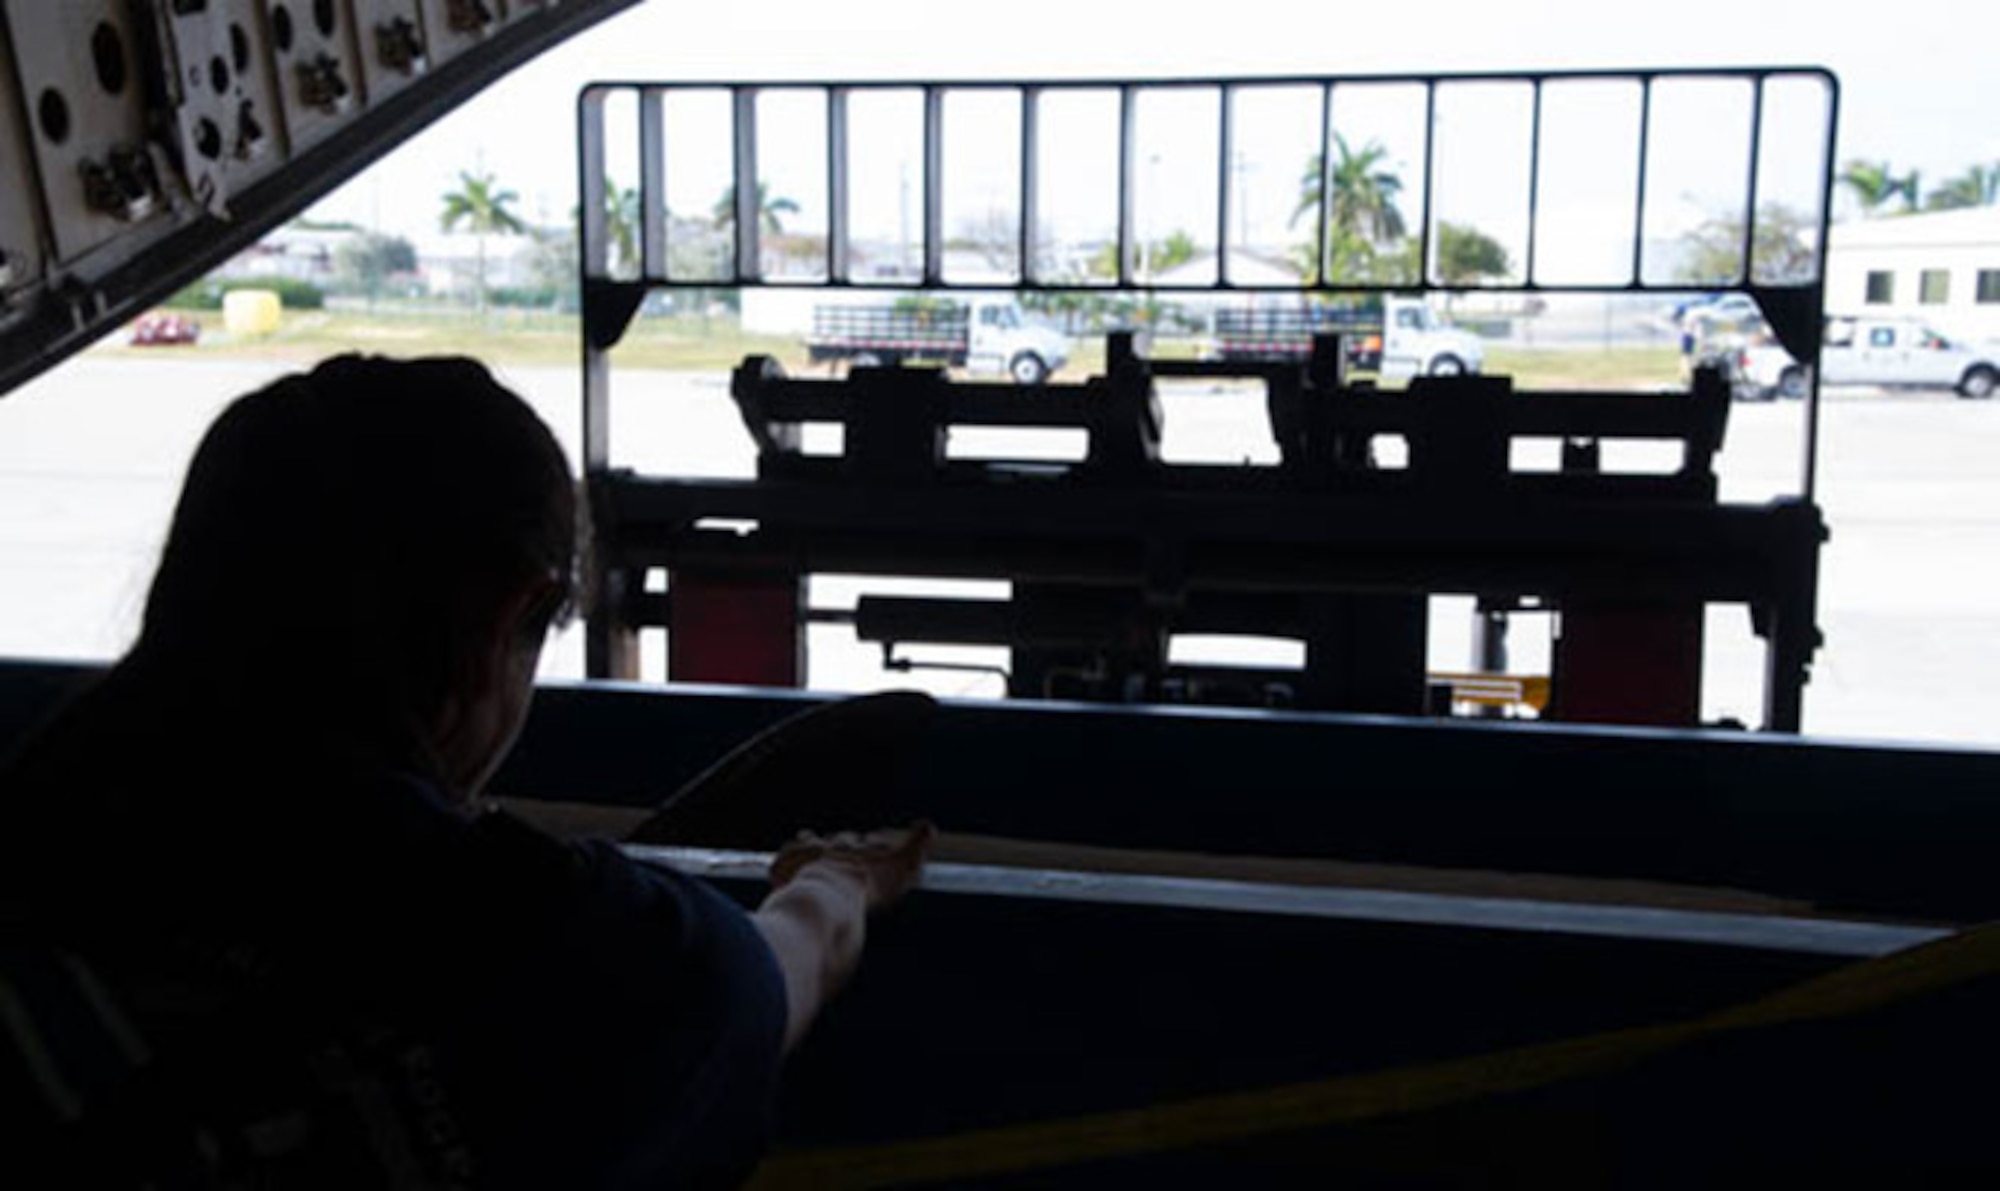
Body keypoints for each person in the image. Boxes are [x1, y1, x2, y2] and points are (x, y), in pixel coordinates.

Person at [0, 354, 929, 1188]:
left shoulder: (46, 836)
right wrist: (837, 883)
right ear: (508, 616)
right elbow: (770, 977)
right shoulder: (573, 957)